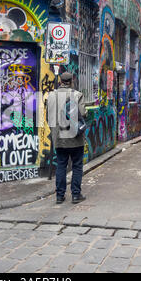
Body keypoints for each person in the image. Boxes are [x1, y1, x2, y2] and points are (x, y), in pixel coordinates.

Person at [47, 72, 87, 205]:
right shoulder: (77, 95)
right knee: (77, 166)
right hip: (75, 138)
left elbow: (49, 117)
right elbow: (83, 113)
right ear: (72, 81)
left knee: (61, 166)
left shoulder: (51, 96)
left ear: (60, 81)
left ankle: (59, 195)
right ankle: (76, 195)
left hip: (59, 138)